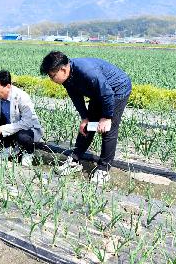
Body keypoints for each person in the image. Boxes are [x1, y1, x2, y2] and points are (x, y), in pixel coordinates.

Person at [40, 51, 131, 183]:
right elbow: (76, 97)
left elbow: (107, 93)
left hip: (117, 90)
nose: (52, 79)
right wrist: (85, 118)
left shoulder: (87, 71)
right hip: (99, 92)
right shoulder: (67, 78)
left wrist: (106, 117)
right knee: (88, 126)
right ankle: (74, 161)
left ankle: (104, 169)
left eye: (52, 76)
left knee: (107, 129)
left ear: (63, 69)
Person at [0, 70, 43, 166]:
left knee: (22, 137)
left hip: (26, 128)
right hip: (9, 125)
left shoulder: (22, 97)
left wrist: (1, 129)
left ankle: (29, 152)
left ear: (8, 86)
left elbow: (26, 123)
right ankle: (8, 147)